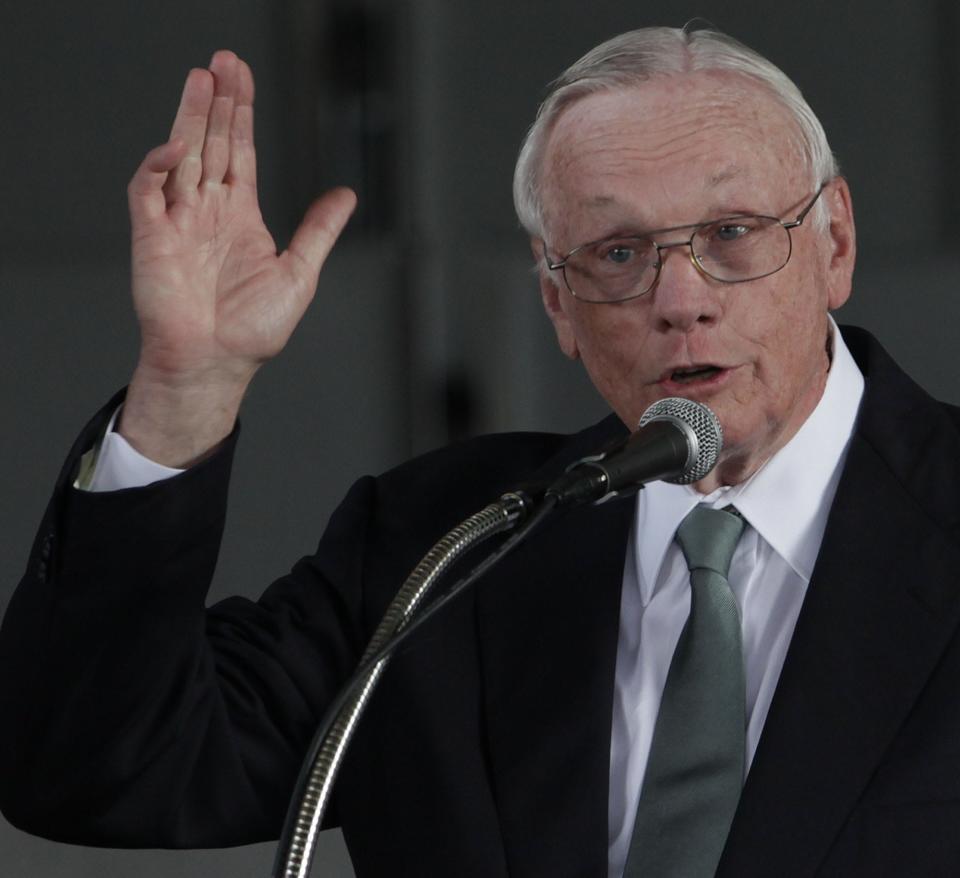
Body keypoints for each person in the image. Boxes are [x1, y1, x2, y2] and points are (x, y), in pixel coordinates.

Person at [2, 23, 959, 878]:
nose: (681, 298)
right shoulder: (445, 546)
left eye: (733, 232)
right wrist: (187, 388)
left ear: (835, 242)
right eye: (619, 254)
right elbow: (89, 771)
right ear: (557, 306)